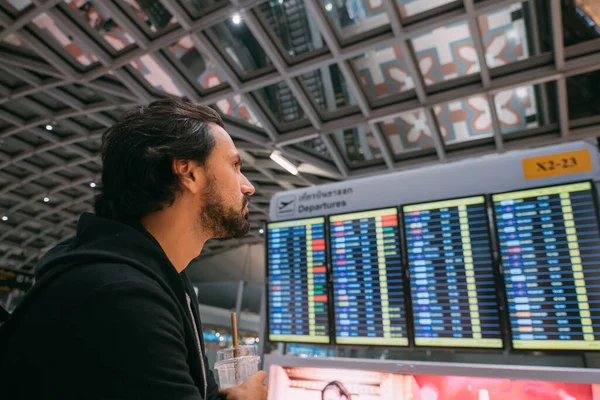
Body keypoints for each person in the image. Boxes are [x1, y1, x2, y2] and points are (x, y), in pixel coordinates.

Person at [0, 98, 267, 400]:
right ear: (187, 171)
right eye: (234, 165)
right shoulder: (120, 296)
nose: (248, 186)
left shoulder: (165, 279)